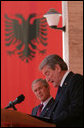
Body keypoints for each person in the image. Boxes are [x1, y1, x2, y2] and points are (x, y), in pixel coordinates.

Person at [39, 54, 83, 127]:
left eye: (47, 74)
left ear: (57, 68)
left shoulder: (76, 80)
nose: (47, 79)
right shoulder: (61, 87)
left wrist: (53, 122)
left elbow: (76, 109)